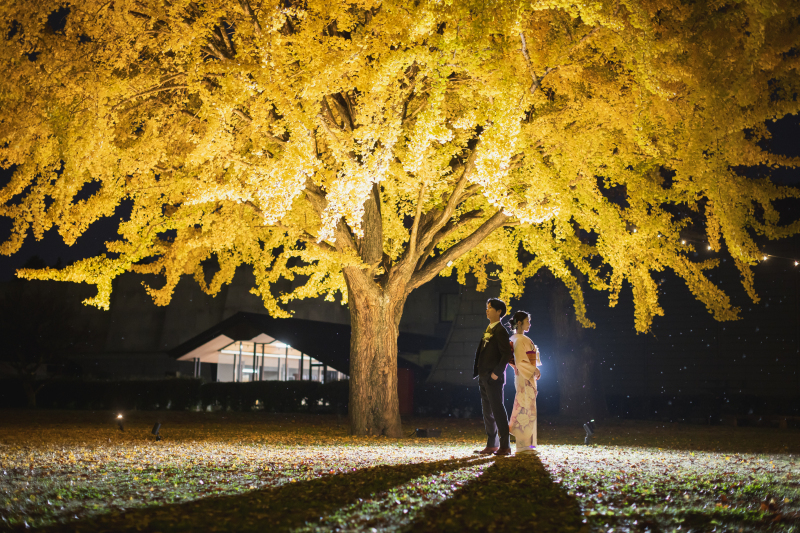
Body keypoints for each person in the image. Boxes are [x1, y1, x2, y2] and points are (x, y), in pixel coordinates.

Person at [473, 298, 514, 456]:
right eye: (487, 307)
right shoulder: (489, 329)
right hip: (483, 376)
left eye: (490, 308)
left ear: (499, 312)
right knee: (487, 412)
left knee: (497, 410)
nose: (487, 310)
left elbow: (506, 354)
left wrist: (496, 373)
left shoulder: (500, 331)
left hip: (493, 377)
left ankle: (505, 446)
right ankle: (492, 444)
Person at [508, 310, 542, 453]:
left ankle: (528, 443)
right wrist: (533, 369)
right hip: (524, 376)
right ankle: (523, 444)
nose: (530, 324)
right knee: (525, 407)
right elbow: (520, 360)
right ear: (520, 323)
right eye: (527, 321)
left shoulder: (517, 338)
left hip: (524, 375)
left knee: (528, 407)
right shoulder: (520, 339)